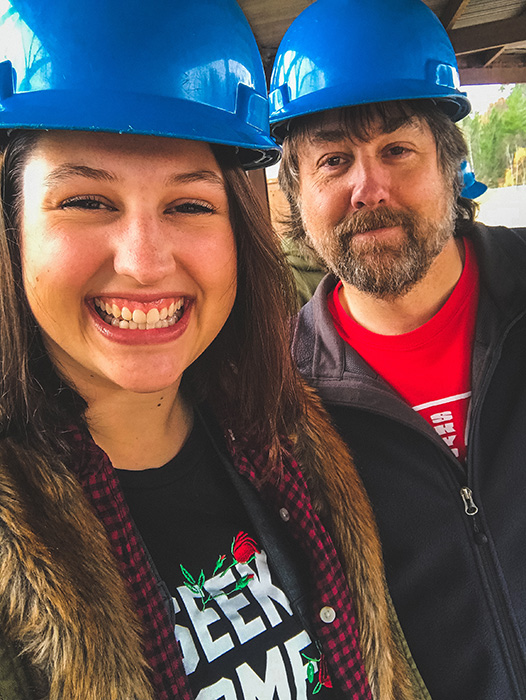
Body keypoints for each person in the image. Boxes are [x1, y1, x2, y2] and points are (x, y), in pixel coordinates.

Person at [0, 1, 430, 699]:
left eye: (190, 205)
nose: (143, 261)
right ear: (13, 226)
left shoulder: (296, 441)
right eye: (86, 201)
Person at [269, 1, 526, 699]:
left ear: (450, 162)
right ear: (297, 191)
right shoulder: (285, 406)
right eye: (333, 159)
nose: (368, 189)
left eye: (396, 150)